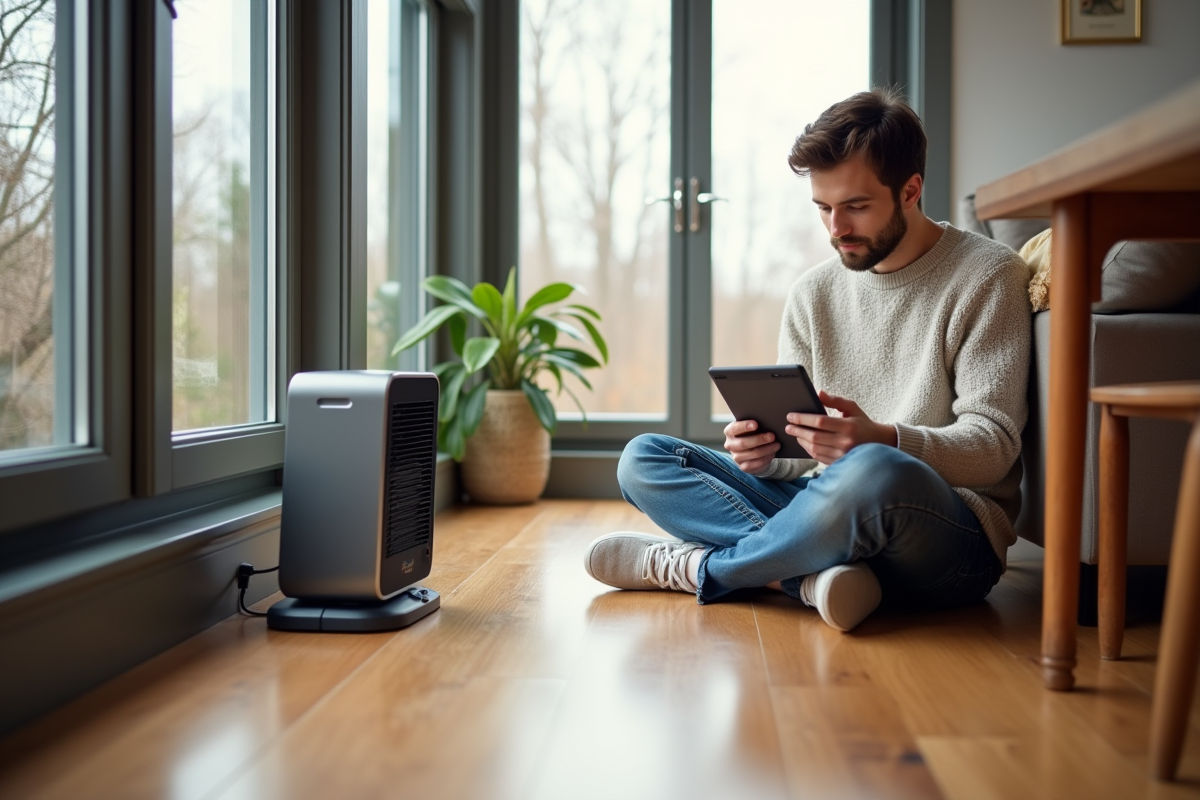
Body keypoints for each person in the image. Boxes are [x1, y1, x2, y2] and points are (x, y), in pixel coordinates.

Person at [583, 88, 1031, 632]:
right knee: (644, 457)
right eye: (823, 208)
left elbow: (994, 448)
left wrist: (884, 440)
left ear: (910, 190)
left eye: (856, 207)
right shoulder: (812, 293)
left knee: (872, 470)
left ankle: (705, 569)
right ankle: (810, 577)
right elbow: (798, 459)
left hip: (948, 537)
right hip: (827, 504)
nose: (836, 228)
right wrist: (764, 455)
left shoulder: (989, 275)